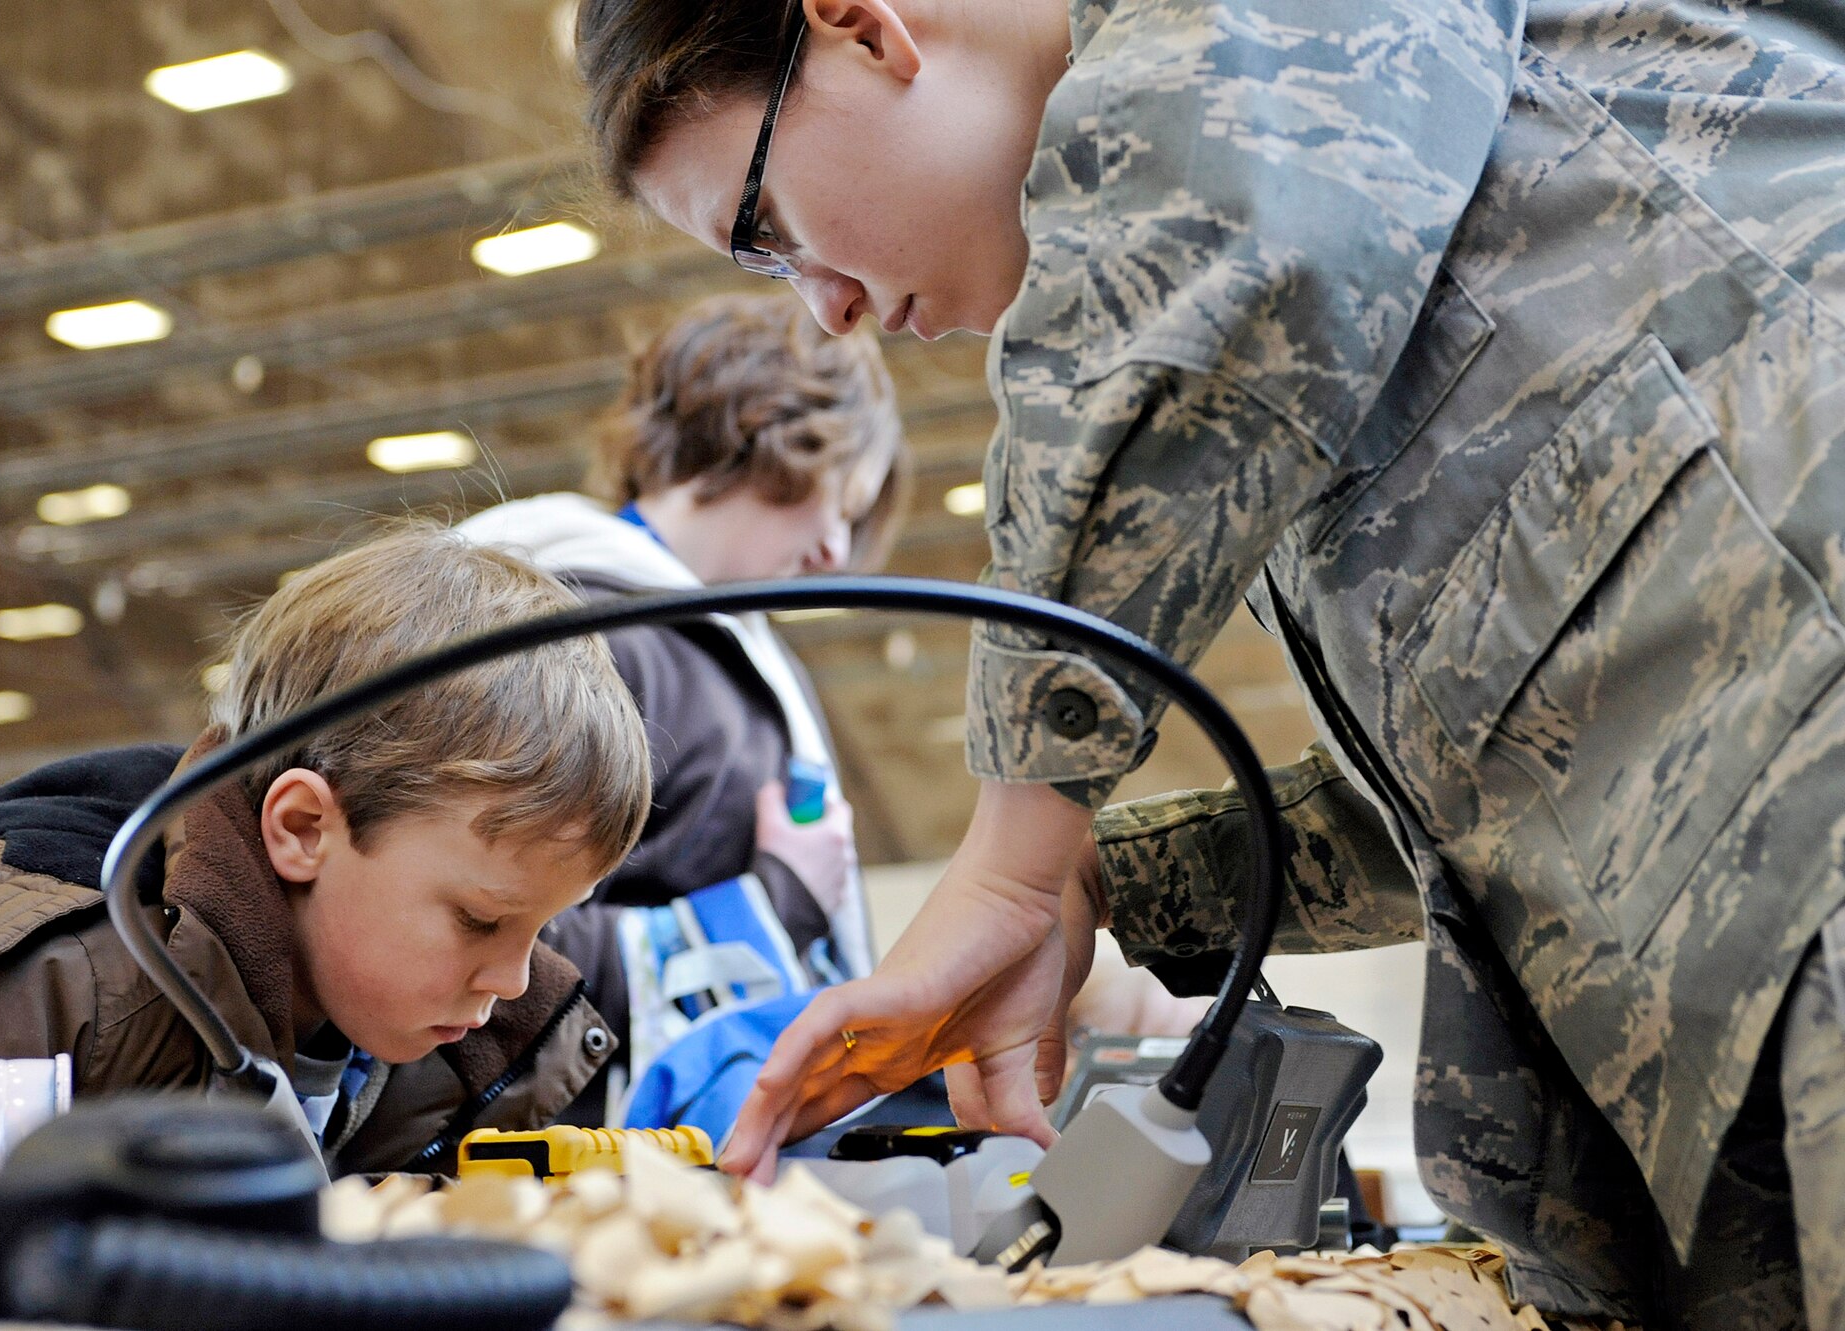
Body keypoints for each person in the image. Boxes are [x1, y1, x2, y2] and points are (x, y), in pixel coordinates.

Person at [571, 0, 1845, 1325]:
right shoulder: (1375, 295)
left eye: (767, 230)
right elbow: (1527, 778)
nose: (825, 310)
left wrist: (1010, 853)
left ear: (859, 26)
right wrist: (1100, 882)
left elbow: (1222, 224)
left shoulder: (1248, 98)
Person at [0, 525, 652, 1175]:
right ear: (303, 829)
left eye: (542, 927)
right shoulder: (28, 995)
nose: (513, 980)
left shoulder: (446, 1045)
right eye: (479, 919)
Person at [457, 291, 907, 1130]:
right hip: (576, 1144)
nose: (836, 551)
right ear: (767, 429)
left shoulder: (719, 644)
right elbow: (480, 917)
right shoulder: (594, 634)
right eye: (837, 501)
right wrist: (776, 903)